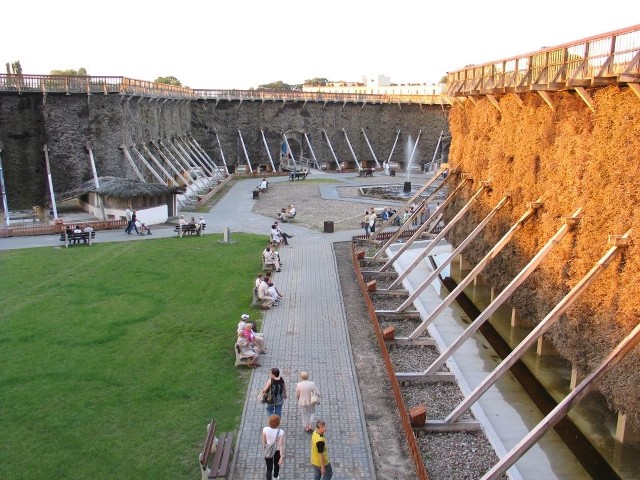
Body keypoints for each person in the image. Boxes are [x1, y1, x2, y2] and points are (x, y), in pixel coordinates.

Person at [262, 414, 285, 480]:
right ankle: (275, 477)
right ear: (278, 423)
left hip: (268, 450)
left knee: (269, 467)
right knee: (276, 464)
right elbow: (281, 445)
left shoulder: (265, 429)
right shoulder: (281, 432)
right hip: (277, 451)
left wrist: (265, 447)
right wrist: (281, 455)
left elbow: (264, 441)